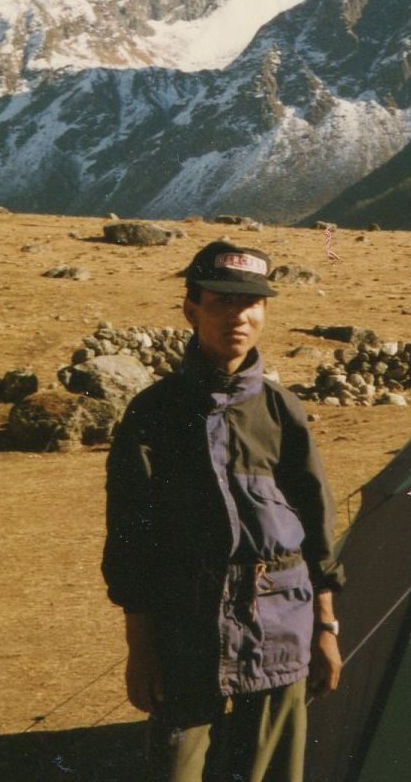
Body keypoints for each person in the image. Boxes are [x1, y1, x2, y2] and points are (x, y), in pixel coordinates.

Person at [103, 240, 344, 782]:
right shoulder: (155, 412)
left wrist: (326, 627)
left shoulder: (282, 411)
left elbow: (317, 529)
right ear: (191, 309)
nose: (238, 316)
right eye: (221, 302)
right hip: (186, 626)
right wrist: (139, 648)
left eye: (252, 303)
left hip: (282, 622)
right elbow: (129, 540)